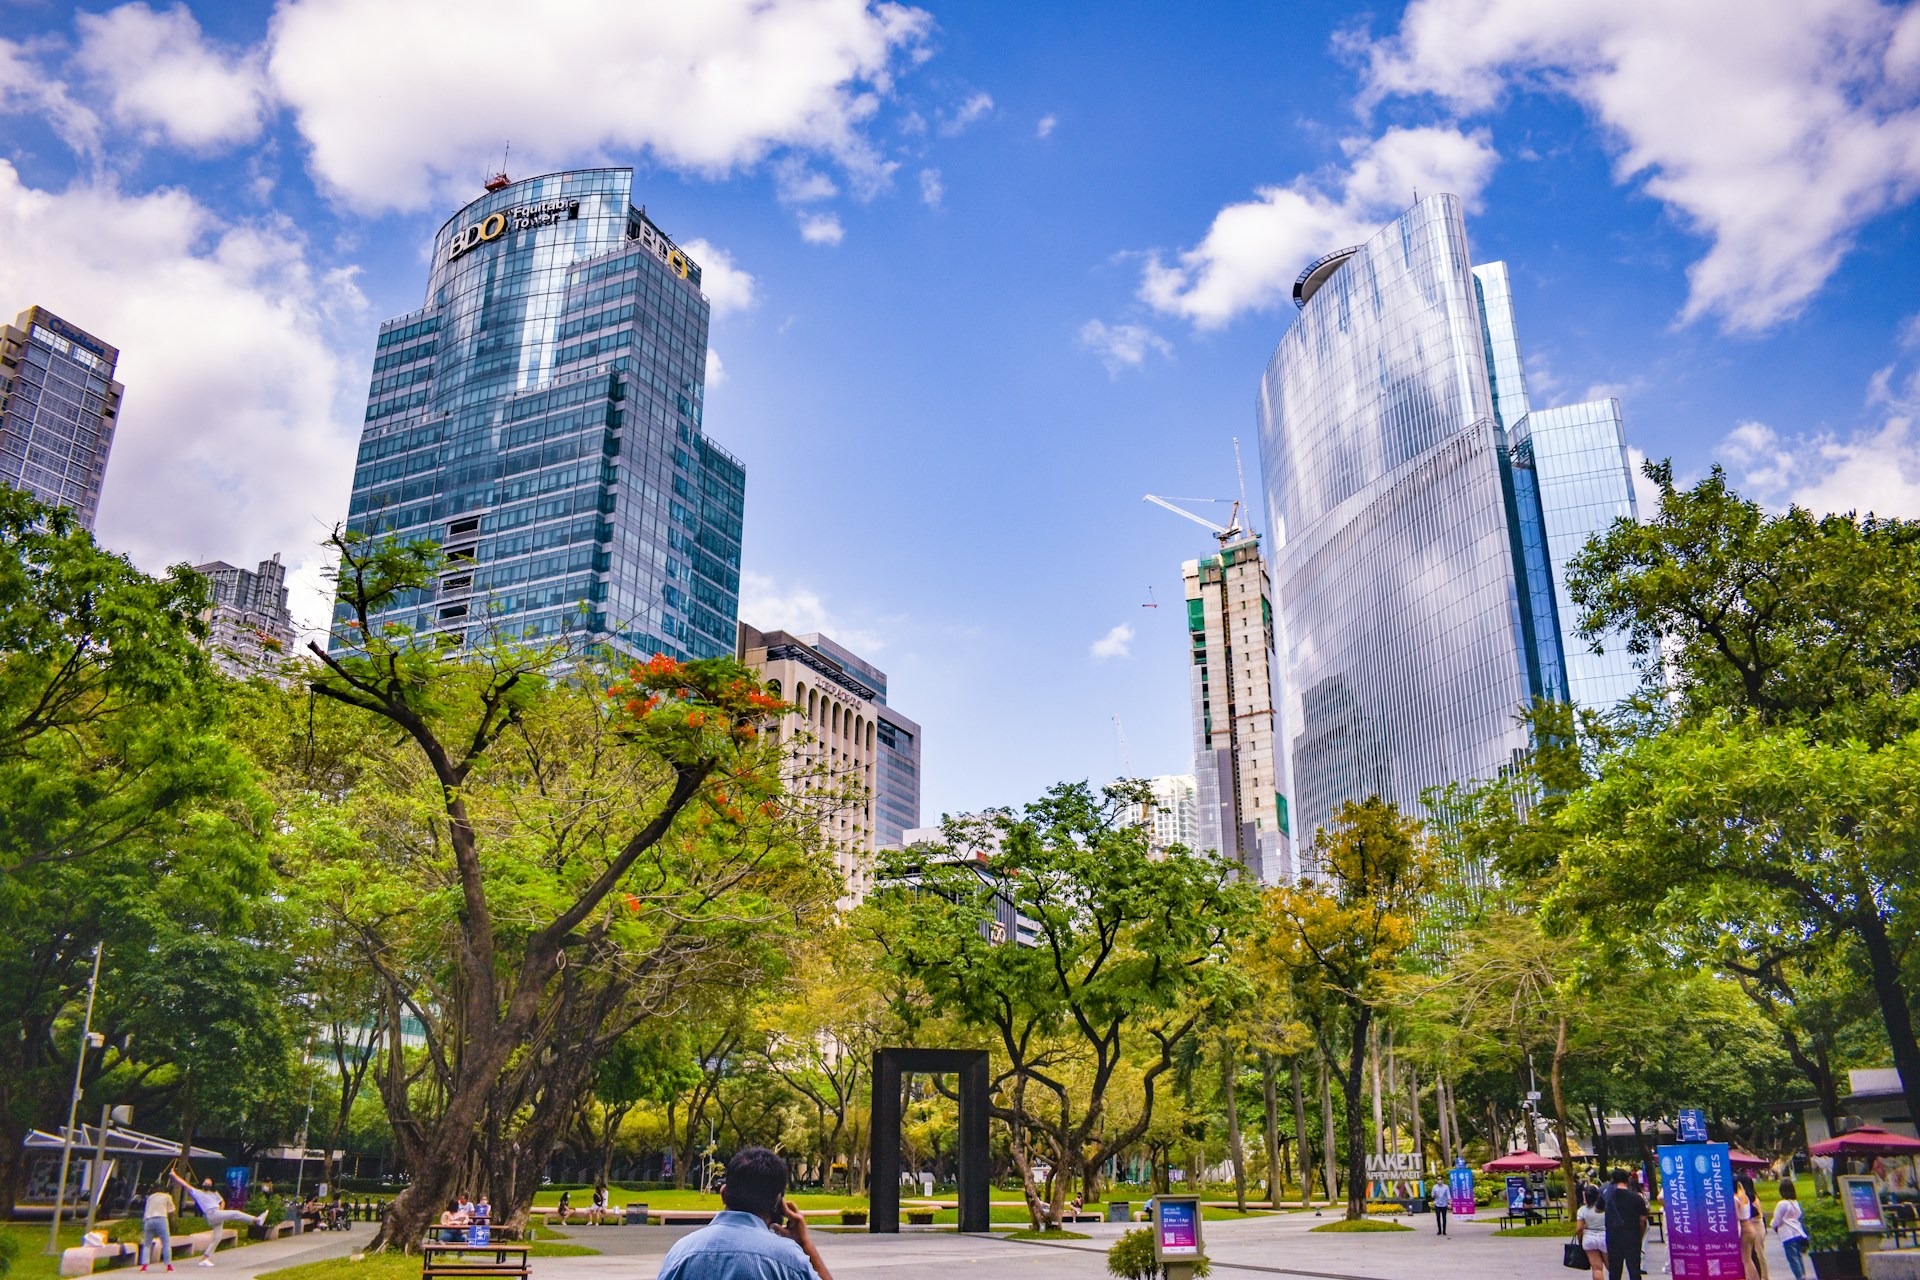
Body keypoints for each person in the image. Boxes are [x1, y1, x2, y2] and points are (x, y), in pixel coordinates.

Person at [657, 1147, 833, 1280]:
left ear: (724, 1193)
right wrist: (805, 1244)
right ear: (779, 1203)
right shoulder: (789, 1260)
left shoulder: (682, 1252)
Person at [169, 1171, 265, 1266]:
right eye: (205, 1183)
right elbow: (184, 1183)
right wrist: (174, 1175)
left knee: (218, 1237)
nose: (207, 1184)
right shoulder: (197, 1192)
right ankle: (256, 1220)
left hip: (217, 1213)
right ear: (202, 1183)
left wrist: (221, 1211)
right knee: (235, 1213)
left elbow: (222, 1202)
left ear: (211, 1185)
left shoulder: (214, 1193)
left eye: (209, 1183)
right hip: (212, 1214)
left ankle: (205, 1259)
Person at [1603, 1168, 1649, 1280]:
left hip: (1613, 1236)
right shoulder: (1636, 1197)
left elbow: (1598, 1209)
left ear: (1613, 1180)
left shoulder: (1608, 1196)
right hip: (1632, 1236)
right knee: (1634, 1270)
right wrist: (1640, 1235)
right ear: (1628, 1179)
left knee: (1614, 1270)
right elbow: (1643, 1220)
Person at [1771, 1181, 1810, 1280]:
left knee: (1792, 1258)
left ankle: (1799, 1276)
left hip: (1787, 1234)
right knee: (1798, 1256)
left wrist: (1773, 1225)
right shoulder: (1796, 1203)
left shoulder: (1782, 1204)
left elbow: (1777, 1220)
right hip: (1798, 1231)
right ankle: (1803, 1275)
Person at [1736, 1172, 1769, 1280]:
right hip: (1754, 1225)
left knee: (1755, 1255)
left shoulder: (1746, 1197)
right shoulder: (1748, 1196)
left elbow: (1758, 1213)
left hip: (1754, 1225)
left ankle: (1763, 1276)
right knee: (1752, 1255)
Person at [1571, 1185, 1609, 1280]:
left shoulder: (1582, 1210)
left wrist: (1580, 1239)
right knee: (1612, 1267)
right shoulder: (1605, 1208)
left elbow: (1579, 1229)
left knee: (1596, 1268)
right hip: (1605, 1236)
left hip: (1589, 1238)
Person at [139, 1183, 177, 1273]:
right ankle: (169, 1266)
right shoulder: (167, 1196)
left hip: (148, 1220)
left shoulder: (150, 1197)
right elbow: (171, 1210)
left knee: (147, 1244)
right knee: (166, 1243)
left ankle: (144, 1266)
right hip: (161, 1219)